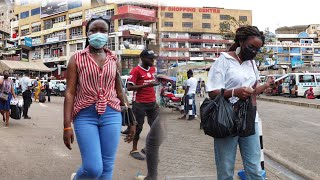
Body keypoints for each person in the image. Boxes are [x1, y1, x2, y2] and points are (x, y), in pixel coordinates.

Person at [63, 15, 135, 180]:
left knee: (107, 167)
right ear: (87, 34)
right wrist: (67, 126)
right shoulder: (77, 59)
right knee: (93, 168)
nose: (98, 34)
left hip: (112, 114)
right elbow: (70, 93)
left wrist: (132, 120)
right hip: (85, 115)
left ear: (108, 34)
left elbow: (120, 91)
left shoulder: (113, 59)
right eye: (94, 30)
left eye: (103, 30)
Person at [207, 26, 274, 180]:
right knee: (225, 170)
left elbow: (252, 91)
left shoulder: (252, 64)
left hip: (249, 119)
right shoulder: (224, 60)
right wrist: (234, 92)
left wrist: (265, 86)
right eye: (251, 47)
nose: (254, 52)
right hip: (226, 119)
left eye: (257, 49)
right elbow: (212, 92)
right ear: (241, 41)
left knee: (255, 169)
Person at [127, 49, 160, 161]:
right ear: (142, 58)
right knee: (138, 128)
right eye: (150, 58)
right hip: (140, 103)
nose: (152, 60)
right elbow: (129, 87)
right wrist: (146, 85)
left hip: (152, 103)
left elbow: (152, 82)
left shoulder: (152, 69)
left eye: (153, 58)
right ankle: (134, 149)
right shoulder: (136, 71)